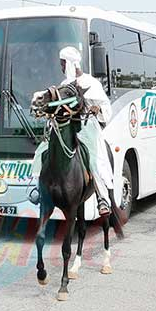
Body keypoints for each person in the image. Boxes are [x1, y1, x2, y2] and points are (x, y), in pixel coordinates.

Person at [50, 46, 115, 214]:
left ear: (71, 64)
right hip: (68, 128)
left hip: (88, 128)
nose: (62, 67)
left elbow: (106, 108)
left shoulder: (92, 83)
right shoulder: (64, 85)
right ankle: (40, 190)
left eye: (63, 64)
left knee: (95, 161)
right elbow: (58, 107)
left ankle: (102, 199)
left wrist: (97, 109)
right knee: (45, 151)